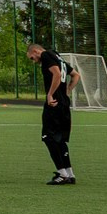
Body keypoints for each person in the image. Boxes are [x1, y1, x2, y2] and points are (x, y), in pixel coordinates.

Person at [29, 41, 78, 184]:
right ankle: (70, 173)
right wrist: (67, 91)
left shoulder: (46, 55)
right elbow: (76, 75)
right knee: (60, 139)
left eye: (32, 58)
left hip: (54, 104)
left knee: (48, 137)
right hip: (63, 104)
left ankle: (62, 174)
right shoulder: (58, 57)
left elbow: (56, 73)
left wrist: (50, 94)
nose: (33, 61)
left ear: (36, 51)